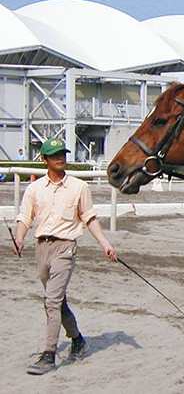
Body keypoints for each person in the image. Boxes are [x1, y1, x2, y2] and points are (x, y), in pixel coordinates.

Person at [12, 137, 119, 375]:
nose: (61, 158)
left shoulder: (80, 187)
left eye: (63, 153)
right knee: (57, 301)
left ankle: (49, 354)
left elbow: (89, 218)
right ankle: (78, 340)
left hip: (66, 248)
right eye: (55, 154)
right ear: (44, 160)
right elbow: (25, 218)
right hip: (42, 248)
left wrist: (105, 244)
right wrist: (19, 238)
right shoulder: (34, 189)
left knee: (50, 301)